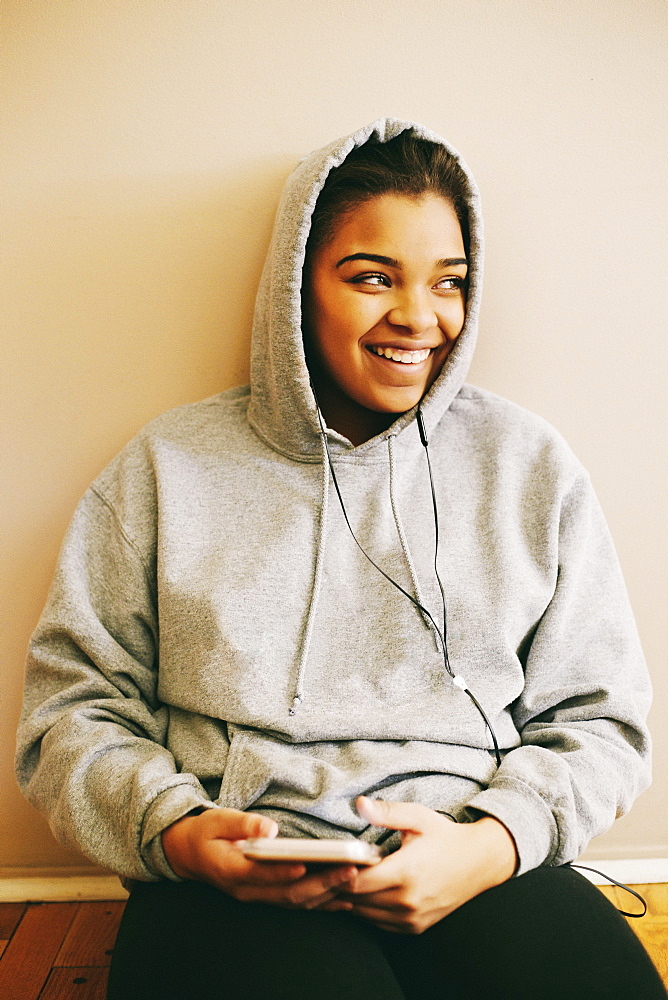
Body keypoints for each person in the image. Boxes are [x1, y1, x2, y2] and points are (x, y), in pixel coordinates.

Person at [15, 119, 664, 999]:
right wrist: (180, 833)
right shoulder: (168, 466)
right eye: (372, 278)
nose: (418, 317)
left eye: (449, 283)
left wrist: (491, 843)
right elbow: (71, 711)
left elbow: (603, 721)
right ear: (296, 286)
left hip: (473, 851)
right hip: (230, 872)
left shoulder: (528, 466)